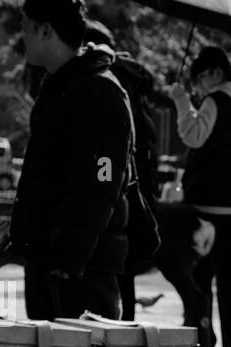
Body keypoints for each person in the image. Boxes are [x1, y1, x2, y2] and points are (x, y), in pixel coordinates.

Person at [10, 0, 134, 321]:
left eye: (25, 27)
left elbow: (103, 177)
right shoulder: (56, 86)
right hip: (46, 255)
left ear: (46, 30)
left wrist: (71, 255)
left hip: (82, 265)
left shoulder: (101, 90)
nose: (21, 35)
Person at [168, 46, 231, 347]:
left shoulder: (216, 101)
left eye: (200, 78)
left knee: (198, 286)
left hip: (207, 209)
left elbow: (193, 136)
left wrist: (181, 100)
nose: (197, 86)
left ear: (216, 74)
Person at [84, 19, 170, 321]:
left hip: (119, 194)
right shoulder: (131, 80)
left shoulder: (107, 83)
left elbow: (109, 153)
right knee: (123, 277)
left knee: (109, 282)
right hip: (137, 192)